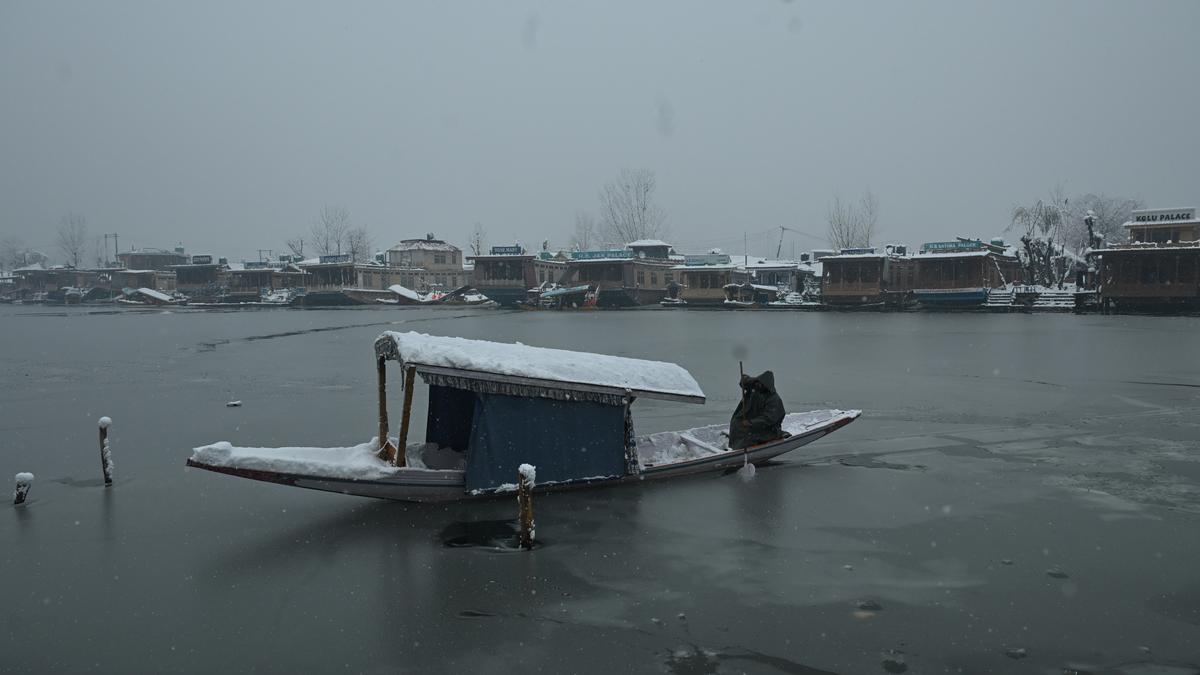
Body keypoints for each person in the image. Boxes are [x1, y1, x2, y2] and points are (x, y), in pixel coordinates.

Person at [728, 370, 786, 450]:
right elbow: (744, 383)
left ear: (766, 385)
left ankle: (742, 449)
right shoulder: (755, 390)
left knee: (749, 435)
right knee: (737, 424)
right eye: (757, 383)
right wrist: (750, 380)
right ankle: (734, 447)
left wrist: (751, 423)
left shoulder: (774, 399)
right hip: (753, 423)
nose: (757, 385)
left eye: (760, 384)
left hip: (768, 429)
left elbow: (768, 418)